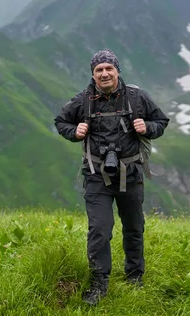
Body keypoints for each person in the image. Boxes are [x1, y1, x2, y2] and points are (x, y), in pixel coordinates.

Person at [54, 49, 170, 305]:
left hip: (130, 173)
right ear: (93, 74)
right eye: (99, 70)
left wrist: (147, 127)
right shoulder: (83, 100)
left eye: (109, 68)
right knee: (99, 229)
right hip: (97, 176)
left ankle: (135, 277)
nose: (104, 73)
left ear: (117, 71)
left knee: (133, 228)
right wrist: (75, 131)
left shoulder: (137, 97)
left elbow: (161, 121)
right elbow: (60, 121)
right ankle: (99, 284)